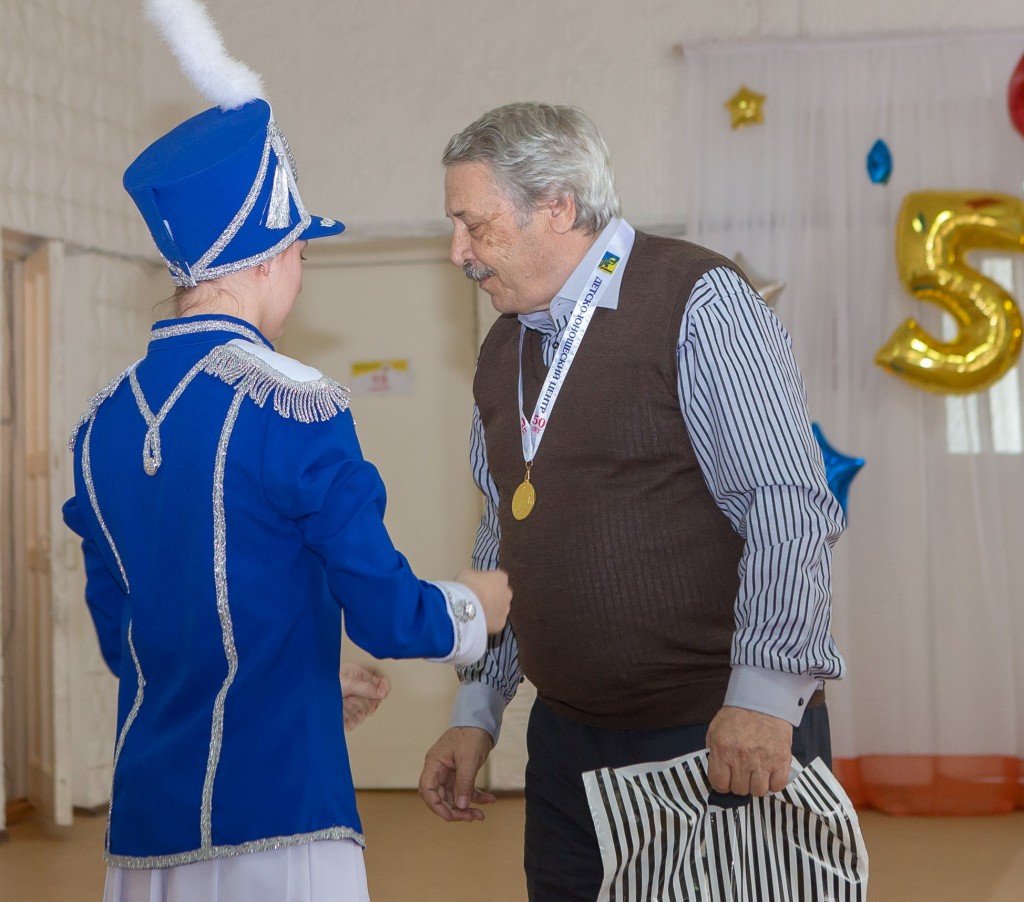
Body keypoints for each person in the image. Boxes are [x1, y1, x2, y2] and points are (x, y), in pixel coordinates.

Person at [61, 8, 510, 900]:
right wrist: (476, 608)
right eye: (300, 245)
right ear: (270, 255)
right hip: (279, 815)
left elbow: (132, 642)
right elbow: (386, 614)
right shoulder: (293, 403)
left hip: (147, 828)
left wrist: (300, 677)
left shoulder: (100, 425)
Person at [417, 102, 847, 900]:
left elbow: (785, 503)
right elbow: (502, 537)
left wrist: (765, 696)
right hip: (569, 749)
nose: (459, 253)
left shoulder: (699, 301)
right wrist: (477, 706)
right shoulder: (503, 349)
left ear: (557, 206)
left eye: (475, 225)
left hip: (715, 735)